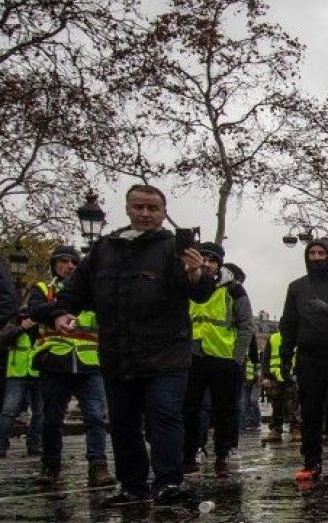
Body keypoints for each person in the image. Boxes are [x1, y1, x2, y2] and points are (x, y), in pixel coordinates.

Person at [32, 184, 218, 506]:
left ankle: (168, 483)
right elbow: (75, 291)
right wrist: (61, 313)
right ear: (128, 209)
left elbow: (200, 293)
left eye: (152, 208)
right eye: (139, 207)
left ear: (163, 213)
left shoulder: (175, 249)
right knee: (122, 421)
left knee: (164, 414)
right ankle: (132, 485)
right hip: (119, 352)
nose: (145, 214)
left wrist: (195, 274)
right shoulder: (104, 249)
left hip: (166, 353)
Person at [23, 246, 112, 487]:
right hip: (55, 361)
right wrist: (59, 312)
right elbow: (35, 311)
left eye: (74, 263)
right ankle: (51, 466)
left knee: (96, 416)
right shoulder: (43, 289)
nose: (70, 267)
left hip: (88, 362)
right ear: (54, 265)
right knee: (52, 418)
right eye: (64, 262)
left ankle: (98, 466)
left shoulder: (92, 291)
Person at [281, 237, 328, 490]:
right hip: (308, 358)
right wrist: (284, 356)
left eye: (320, 252)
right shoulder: (296, 288)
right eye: (311, 253)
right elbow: (288, 324)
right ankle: (311, 461)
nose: (316, 257)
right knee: (311, 412)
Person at [180, 243, 254, 479]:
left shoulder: (234, 290)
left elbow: (246, 326)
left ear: (219, 264)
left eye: (213, 260)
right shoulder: (186, 285)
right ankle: (190, 453)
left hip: (224, 358)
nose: (208, 263)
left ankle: (224, 453)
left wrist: (238, 358)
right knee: (190, 409)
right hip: (193, 357)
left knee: (226, 410)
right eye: (204, 258)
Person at [0, 267, 34, 461]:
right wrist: (21, 328)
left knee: (39, 413)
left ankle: (35, 445)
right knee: (9, 411)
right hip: (18, 372)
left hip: (35, 372)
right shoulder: (16, 323)